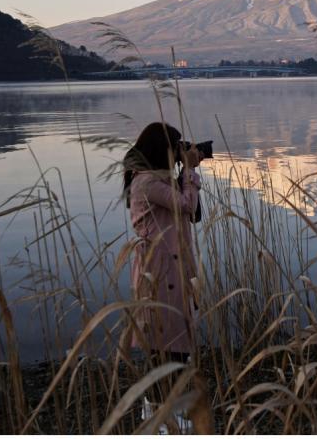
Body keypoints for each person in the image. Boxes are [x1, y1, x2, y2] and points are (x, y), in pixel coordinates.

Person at [122, 122, 203, 432]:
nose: (181, 153)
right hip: (160, 273)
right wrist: (190, 172)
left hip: (171, 269)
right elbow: (186, 204)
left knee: (174, 342)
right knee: (165, 343)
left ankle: (166, 412)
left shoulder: (157, 180)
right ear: (163, 151)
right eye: (177, 147)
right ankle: (161, 415)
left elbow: (190, 214)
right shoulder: (146, 183)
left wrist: (186, 173)